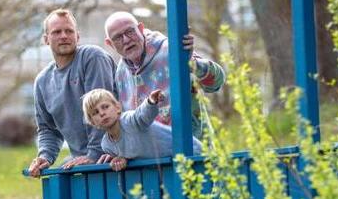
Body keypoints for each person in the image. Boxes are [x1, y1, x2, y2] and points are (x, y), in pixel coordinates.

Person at [100, 11, 225, 166]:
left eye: (130, 31)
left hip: (195, 157)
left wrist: (192, 63)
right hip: (151, 166)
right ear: (110, 44)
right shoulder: (120, 72)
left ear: (141, 28)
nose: (126, 40)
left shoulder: (171, 49)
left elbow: (216, 83)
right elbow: (131, 125)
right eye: (118, 37)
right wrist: (121, 153)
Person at [28, 9, 116, 178]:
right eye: (57, 32)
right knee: (58, 181)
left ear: (78, 36)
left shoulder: (92, 58)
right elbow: (48, 129)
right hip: (82, 163)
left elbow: (102, 110)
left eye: (69, 31)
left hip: (114, 158)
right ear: (46, 39)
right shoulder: (42, 81)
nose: (64, 36)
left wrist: (94, 154)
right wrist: (45, 156)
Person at [82, 88, 203, 171]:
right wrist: (122, 159)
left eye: (105, 107)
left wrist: (150, 102)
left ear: (118, 107)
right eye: (95, 112)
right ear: (92, 122)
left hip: (191, 151)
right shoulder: (107, 145)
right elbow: (130, 152)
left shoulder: (129, 121)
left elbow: (141, 115)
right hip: (169, 165)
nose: (102, 113)